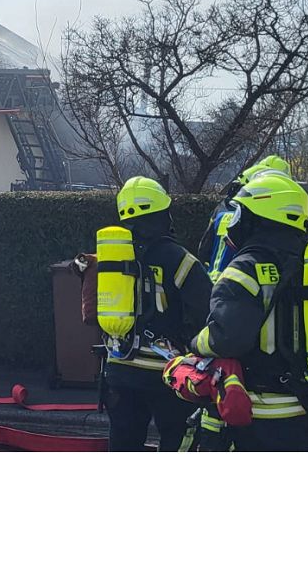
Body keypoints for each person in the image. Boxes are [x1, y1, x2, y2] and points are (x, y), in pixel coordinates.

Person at [190, 172, 308, 451]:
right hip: (307, 406)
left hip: (258, 410)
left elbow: (227, 338)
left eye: (241, 213)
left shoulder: (246, 267)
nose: (235, 222)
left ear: (259, 217)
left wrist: (194, 344)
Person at [97, 177, 213, 451]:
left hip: (119, 366)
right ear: (163, 212)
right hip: (167, 372)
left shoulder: (113, 255)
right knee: (176, 440)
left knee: (124, 445)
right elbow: (206, 311)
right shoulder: (180, 259)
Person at [198, 155, 308, 278]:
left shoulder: (223, 209)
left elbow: (203, 250)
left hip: (215, 281)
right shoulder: (278, 201)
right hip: (243, 278)